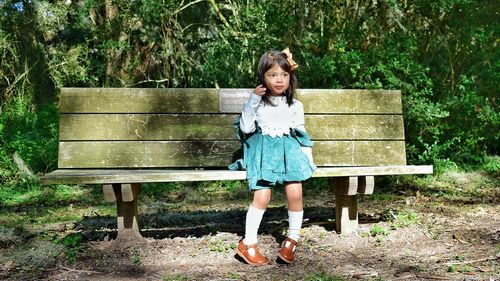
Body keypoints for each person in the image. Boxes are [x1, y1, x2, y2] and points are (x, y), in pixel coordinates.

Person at [229, 48, 316, 265]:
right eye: (273, 75)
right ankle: (248, 244)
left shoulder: (295, 105)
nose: (279, 80)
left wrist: (308, 159)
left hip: (290, 155)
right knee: (262, 197)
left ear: (290, 77)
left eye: (284, 75)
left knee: (295, 193)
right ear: (263, 77)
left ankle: (292, 238)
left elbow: (301, 133)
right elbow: (246, 129)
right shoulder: (257, 103)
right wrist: (252, 101)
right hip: (263, 156)